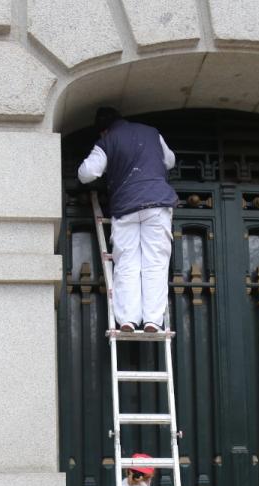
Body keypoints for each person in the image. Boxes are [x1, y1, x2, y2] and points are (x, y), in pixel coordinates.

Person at [77, 107, 178, 333]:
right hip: (157, 203)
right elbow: (169, 161)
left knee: (126, 262)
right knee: (155, 262)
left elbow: (86, 173)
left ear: (103, 130)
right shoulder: (152, 133)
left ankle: (127, 320)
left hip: (126, 206)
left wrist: (111, 160)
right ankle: (153, 320)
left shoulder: (107, 140)